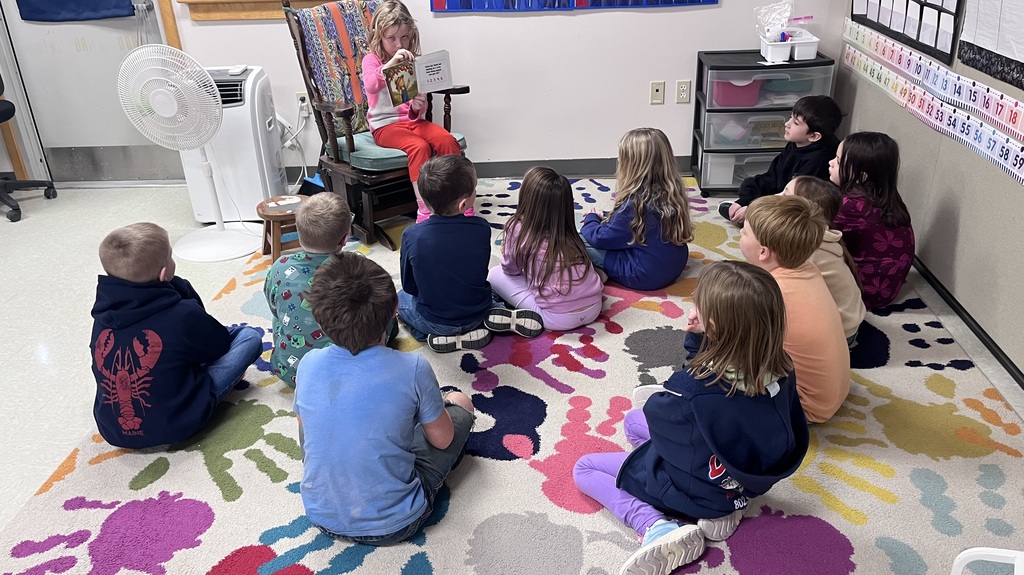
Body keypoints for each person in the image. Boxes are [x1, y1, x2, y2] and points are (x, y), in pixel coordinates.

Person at [573, 261, 809, 575]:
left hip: (699, 488)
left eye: (700, 304)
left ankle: (657, 527)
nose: (692, 307)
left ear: (717, 325)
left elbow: (663, 414)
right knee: (632, 422)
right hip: (745, 475)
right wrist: (702, 337)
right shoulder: (782, 367)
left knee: (585, 468)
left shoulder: (689, 393)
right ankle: (725, 510)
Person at [295, 252, 476, 545]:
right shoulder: (413, 367)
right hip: (397, 523)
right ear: (394, 309)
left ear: (317, 316)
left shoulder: (308, 363)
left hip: (321, 516)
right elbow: (442, 440)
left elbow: (306, 428)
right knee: (460, 404)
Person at [90, 223, 263, 449]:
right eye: (170, 256)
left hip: (113, 431)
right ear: (164, 273)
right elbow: (219, 346)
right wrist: (184, 294)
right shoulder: (182, 314)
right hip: (180, 422)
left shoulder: (102, 316)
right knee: (248, 337)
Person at [399, 155, 543, 352]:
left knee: (399, 299)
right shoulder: (482, 228)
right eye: (475, 189)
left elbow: (409, 286)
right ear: (463, 204)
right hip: (478, 312)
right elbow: (477, 272)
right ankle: (494, 312)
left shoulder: (411, 235)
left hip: (437, 321)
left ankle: (434, 335)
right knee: (479, 287)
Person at [264, 193, 397, 386]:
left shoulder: (279, 267)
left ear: (299, 233)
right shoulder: (359, 267)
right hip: (355, 372)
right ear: (345, 238)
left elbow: (274, 307)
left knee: (279, 315)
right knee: (384, 314)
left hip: (294, 372)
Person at [740, 195, 851, 423]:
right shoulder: (808, 268)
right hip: (834, 392)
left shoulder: (768, 294)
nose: (740, 233)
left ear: (763, 252)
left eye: (744, 231)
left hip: (803, 407)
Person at [363, 0, 466, 223]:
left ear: (412, 36)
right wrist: (390, 64)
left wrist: (418, 107)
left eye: (405, 37)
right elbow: (371, 85)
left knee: (447, 140)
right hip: (385, 126)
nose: (399, 44)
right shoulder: (371, 60)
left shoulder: (414, 61)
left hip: (413, 122)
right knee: (418, 147)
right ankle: (425, 208)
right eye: (391, 38)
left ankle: (459, 199)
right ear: (379, 36)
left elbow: (414, 108)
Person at [488, 167, 604, 331]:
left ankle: (525, 312)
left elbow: (510, 270)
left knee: (494, 273)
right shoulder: (568, 228)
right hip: (594, 307)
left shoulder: (517, 227)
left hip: (557, 318)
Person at [580, 127, 694, 291]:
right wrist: (604, 216)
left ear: (631, 166)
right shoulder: (672, 191)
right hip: (674, 265)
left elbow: (600, 238)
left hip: (644, 275)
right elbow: (635, 225)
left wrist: (591, 219)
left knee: (576, 239)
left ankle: (597, 273)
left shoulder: (633, 203)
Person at [719, 95, 843, 226]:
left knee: (790, 218)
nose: (787, 124)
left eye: (795, 123)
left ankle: (754, 220)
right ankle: (749, 216)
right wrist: (743, 201)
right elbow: (773, 176)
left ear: (814, 136)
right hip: (782, 191)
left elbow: (796, 201)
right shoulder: (797, 142)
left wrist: (753, 209)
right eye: (791, 117)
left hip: (798, 205)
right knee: (749, 184)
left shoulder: (819, 159)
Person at [828, 131, 915, 310]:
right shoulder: (887, 198)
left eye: (837, 161)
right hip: (887, 288)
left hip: (865, 293)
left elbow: (815, 232)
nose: (830, 163)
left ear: (862, 176)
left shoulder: (852, 206)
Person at [783, 176, 866, 347]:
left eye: (785, 194)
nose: (776, 197)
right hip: (849, 324)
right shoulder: (820, 236)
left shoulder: (806, 247)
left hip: (838, 334)